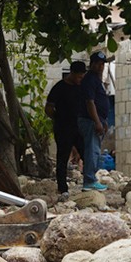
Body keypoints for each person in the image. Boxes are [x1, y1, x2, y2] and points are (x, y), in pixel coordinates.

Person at [45, 62, 88, 196]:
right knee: (63, 158)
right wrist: (59, 119)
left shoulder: (81, 87)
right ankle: (62, 188)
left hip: (79, 128)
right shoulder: (59, 88)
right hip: (63, 128)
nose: (80, 80)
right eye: (79, 77)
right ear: (72, 73)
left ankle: (88, 184)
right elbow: (49, 108)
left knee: (87, 155)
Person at [79, 50, 112, 190]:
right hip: (90, 121)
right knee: (92, 151)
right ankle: (89, 181)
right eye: (98, 64)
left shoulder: (96, 80)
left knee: (95, 151)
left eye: (102, 64)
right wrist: (97, 122)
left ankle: (91, 178)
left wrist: (103, 121)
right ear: (92, 64)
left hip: (98, 120)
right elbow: (90, 102)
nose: (100, 67)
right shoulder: (90, 79)